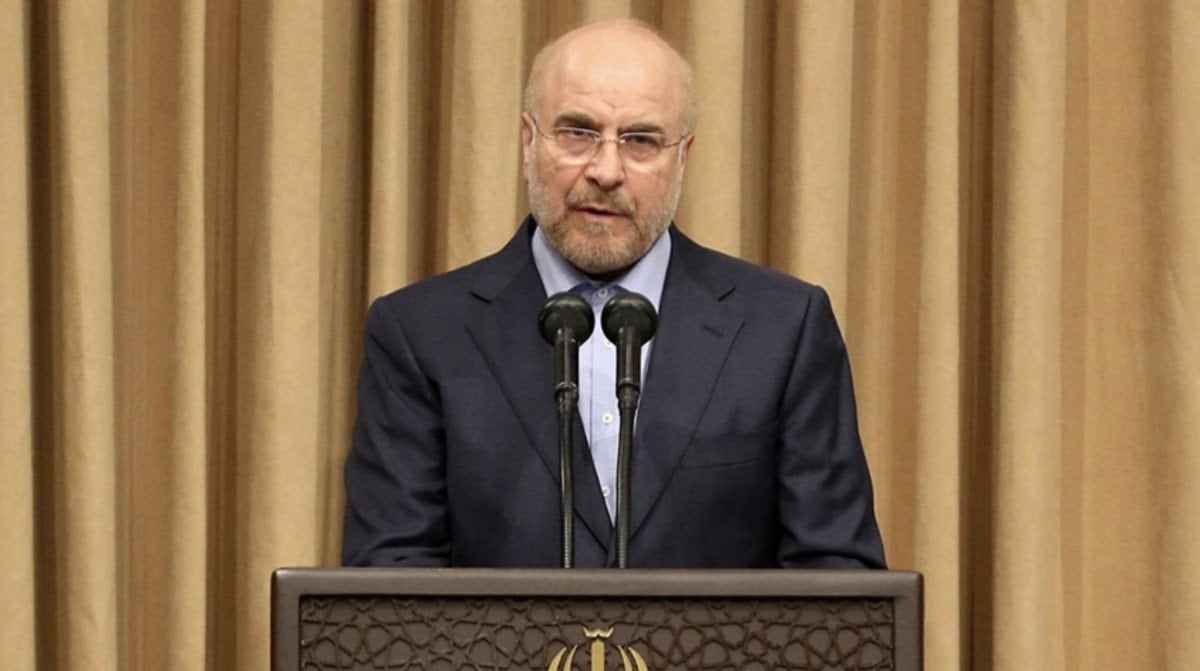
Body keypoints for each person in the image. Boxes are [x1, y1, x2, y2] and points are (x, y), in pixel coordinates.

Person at [342, 18, 885, 569]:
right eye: (578, 133)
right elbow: (391, 579)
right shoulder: (420, 334)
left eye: (640, 141)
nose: (606, 171)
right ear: (528, 142)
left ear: (683, 157)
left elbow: (838, 580)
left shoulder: (783, 329)